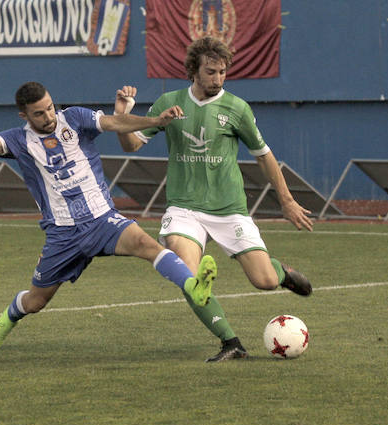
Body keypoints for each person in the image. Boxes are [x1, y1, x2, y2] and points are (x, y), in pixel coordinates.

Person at [0, 81, 218, 353]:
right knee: (36, 301)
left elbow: (114, 123)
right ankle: (9, 316)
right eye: (39, 114)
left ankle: (192, 285)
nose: (48, 117)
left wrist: (156, 120)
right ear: (25, 116)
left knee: (147, 245)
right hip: (62, 233)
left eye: (50, 108)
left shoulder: (75, 118)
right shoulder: (19, 141)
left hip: (102, 219)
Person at [114, 37, 315, 363]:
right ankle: (230, 342)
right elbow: (131, 145)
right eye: (211, 72)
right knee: (187, 275)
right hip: (184, 208)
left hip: (229, 209)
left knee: (263, 281)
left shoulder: (236, 108)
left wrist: (287, 201)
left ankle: (281, 273)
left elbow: (264, 156)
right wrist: (122, 117)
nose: (218, 78)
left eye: (222, 72)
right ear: (194, 70)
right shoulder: (169, 101)